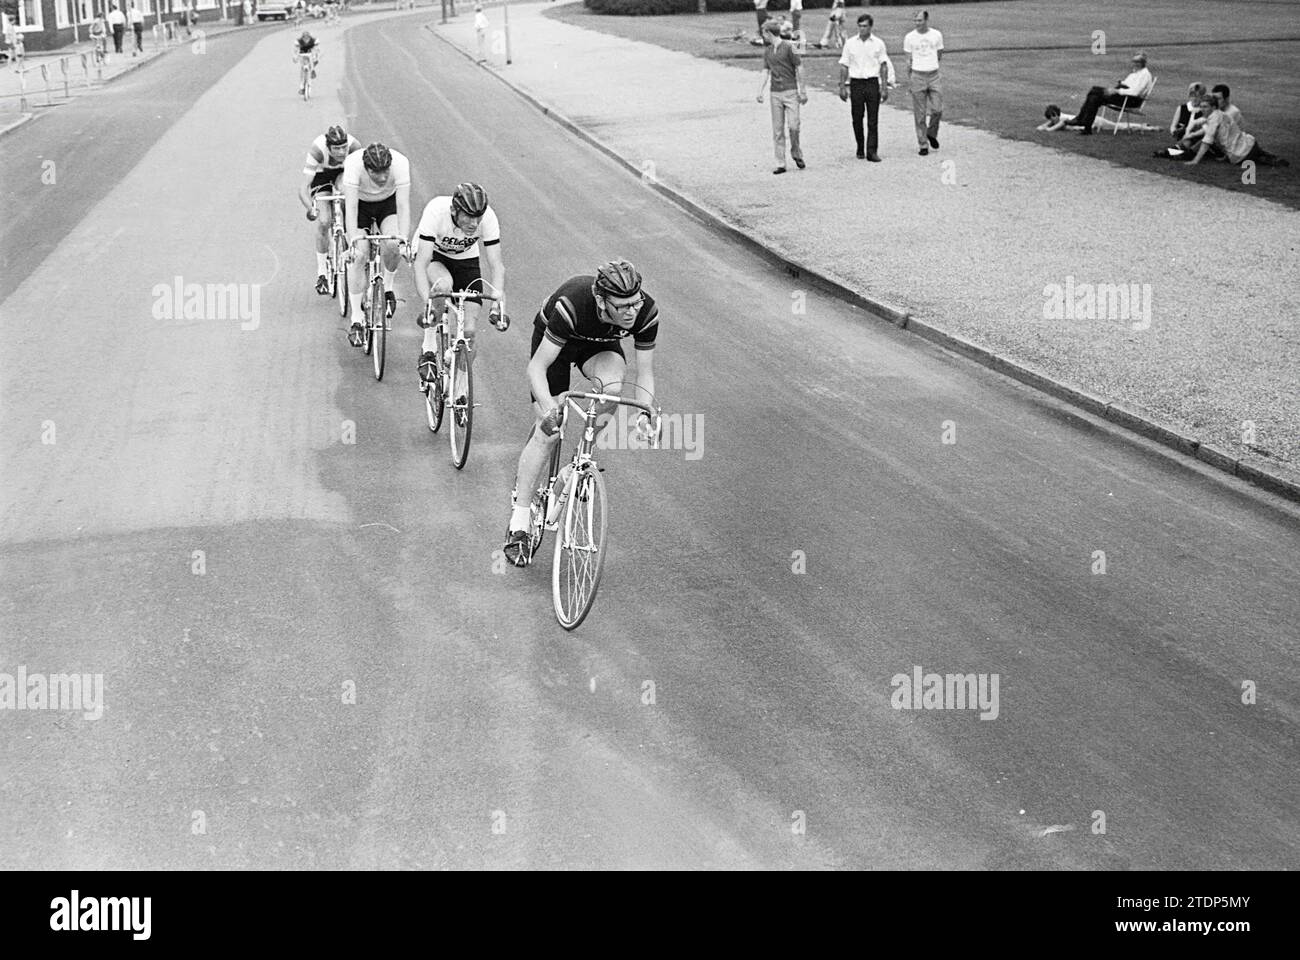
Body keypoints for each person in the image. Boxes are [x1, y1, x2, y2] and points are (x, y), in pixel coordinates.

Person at [501, 259, 659, 567]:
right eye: (622, 306)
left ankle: (578, 461)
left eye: (635, 303)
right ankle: (519, 523)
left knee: (613, 388)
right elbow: (537, 367)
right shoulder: (571, 305)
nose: (631, 312)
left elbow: (646, 373)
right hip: (555, 345)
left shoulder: (645, 311)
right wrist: (549, 410)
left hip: (597, 346)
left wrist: (645, 412)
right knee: (548, 432)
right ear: (601, 301)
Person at [412, 183, 508, 386]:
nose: (474, 223)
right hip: (434, 255)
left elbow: (497, 266)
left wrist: (496, 305)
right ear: (454, 210)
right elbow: (421, 264)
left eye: (478, 217)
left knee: (470, 332)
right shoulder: (436, 211)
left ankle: (461, 388)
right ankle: (429, 347)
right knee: (443, 286)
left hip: (465, 259)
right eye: (468, 216)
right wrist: (426, 303)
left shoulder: (488, 218)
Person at [342, 143, 413, 344]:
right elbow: (352, 208)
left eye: (386, 172)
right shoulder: (353, 164)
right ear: (366, 168)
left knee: (393, 244)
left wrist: (403, 241)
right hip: (361, 206)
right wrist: (352, 243)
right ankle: (356, 318)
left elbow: (403, 206)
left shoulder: (400, 163)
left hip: (387, 204)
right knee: (359, 255)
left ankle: (388, 288)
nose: (382, 178)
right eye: (376, 173)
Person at [300, 124, 363, 294]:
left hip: (344, 174)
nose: (342, 152)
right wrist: (310, 208)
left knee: (345, 192)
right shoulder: (317, 150)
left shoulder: (354, 147)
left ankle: (348, 233)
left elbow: (361, 178)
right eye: (337, 149)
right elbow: (303, 188)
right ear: (328, 147)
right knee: (324, 221)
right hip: (321, 176)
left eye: (343, 147)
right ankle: (322, 273)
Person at [838, 14, 893, 162]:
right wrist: (842, 86)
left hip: (872, 82)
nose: (862, 29)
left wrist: (884, 86)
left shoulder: (878, 43)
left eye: (865, 26)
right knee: (857, 118)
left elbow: (883, 65)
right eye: (860, 26)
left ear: (870, 27)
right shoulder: (850, 43)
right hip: (856, 83)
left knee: (873, 119)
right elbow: (844, 65)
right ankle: (860, 146)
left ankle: (872, 150)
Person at [757, 19, 807, 174]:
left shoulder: (789, 47)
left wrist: (803, 90)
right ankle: (780, 163)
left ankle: (796, 152)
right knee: (778, 130)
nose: (763, 36)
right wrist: (760, 90)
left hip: (790, 91)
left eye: (764, 33)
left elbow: (799, 67)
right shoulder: (768, 51)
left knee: (793, 126)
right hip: (775, 93)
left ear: (768, 33)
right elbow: (766, 71)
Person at [1185, 92, 1288, 167]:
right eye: (1201, 107)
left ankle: (1270, 160)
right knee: (1258, 154)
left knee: (1259, 160)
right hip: (1250, 143)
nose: (1202, 109)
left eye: (1205, 107)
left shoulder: (1213, 121)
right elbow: (1229, 135)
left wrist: (1195, 160)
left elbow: (1206, 143)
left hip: (1240, 155)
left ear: (1213, 107)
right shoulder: (1222, 114)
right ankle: (1271, 158)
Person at [1064, 52, 1152, 135]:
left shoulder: (1144, 75)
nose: (1134, 63)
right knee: (1094, 98)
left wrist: (1117, 91)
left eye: (1137, 62)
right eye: (1134, 61)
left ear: (1142, 63)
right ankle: (1087, 128)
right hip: (1124, 96)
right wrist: (1118, 86)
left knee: (1094, 90)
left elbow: (1135, 92)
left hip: (1131, 100)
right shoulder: (1135, 73)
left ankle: (1080, 120)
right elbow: (1126, 84)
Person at [903, 9, 944, 156]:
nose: (917, 23)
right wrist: (910, 79)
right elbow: (908, 60)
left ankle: (931, 133)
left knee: (937, 109)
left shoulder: (936, 35)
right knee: (919, 113)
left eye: (920, 20)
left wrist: (931, 65)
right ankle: (923, 144)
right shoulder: (909, 37)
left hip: (933, 75)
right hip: (917, 75)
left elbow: (939, 54)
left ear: (926, 20)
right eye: (915, 21)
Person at [293, 30, 318, 96]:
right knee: (302, 68)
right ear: (302, 37)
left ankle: (312, 70)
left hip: (310, 55)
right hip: (302, 55)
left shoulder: (313, 40)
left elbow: (316, 49)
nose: (306, 38)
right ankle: (301, 86)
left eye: (307, 37)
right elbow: (296, 50)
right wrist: (295, 56)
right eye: (304, 37)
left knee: (312, 61)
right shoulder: (299, 41)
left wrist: (316, 56)